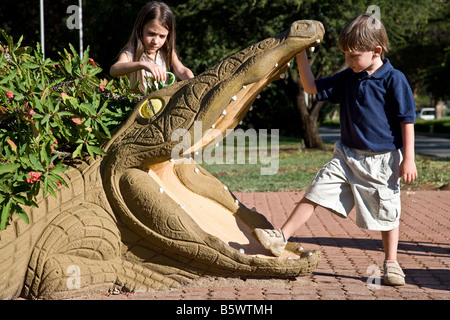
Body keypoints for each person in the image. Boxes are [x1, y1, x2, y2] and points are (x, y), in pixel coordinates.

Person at [254, 13, 418, 286]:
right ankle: (281, 237)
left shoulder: (394, 79)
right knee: (316, 191)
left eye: (353, 56)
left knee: (388, 213)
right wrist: (300, 55)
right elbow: (311, 88)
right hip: (346, 156)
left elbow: (407, 120)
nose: (348, 61)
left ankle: (391, 263)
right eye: (345, 55)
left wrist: (409, 159)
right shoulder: (349, 76)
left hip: (382, 161)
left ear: (376, 51)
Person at [110, 1, 194, 93]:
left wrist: (194, 82)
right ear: (140, 29)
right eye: (151, 34)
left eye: (162, 36)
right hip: (139, 105)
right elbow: (114, 70)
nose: (155, 41)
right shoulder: (131, 53)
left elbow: (181, 70)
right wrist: (143, 64)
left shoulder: (167, 52)